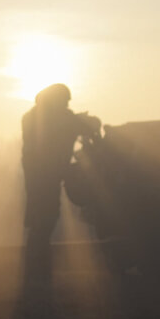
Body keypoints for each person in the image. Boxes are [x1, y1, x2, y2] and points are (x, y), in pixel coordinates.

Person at [21, 83, 100, 286]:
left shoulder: (31, 116)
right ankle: (38, 270)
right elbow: (88, 126)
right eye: (65, 101)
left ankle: (35, 270)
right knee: (46, 220)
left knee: (39, 221)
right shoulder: (62, 117)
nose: (67, 104)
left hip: (35, 177)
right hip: (49, 176)